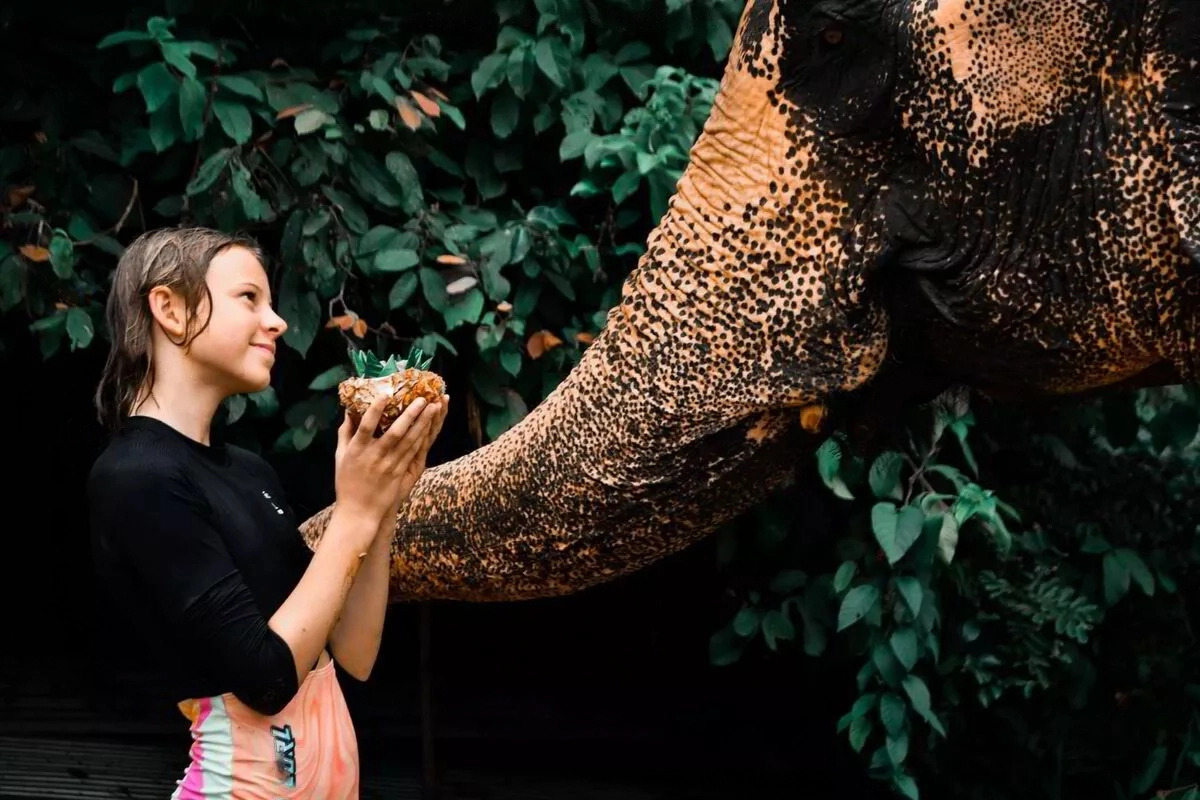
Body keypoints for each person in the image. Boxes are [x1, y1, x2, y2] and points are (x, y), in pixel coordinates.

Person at [86, 226, 447, 799]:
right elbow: (267, 678)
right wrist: (352, 510)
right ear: (171, 310)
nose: (277, 321)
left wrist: (380, 507)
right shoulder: (138, 477)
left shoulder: (250, 472)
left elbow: (353, 654)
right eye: (249, 298)